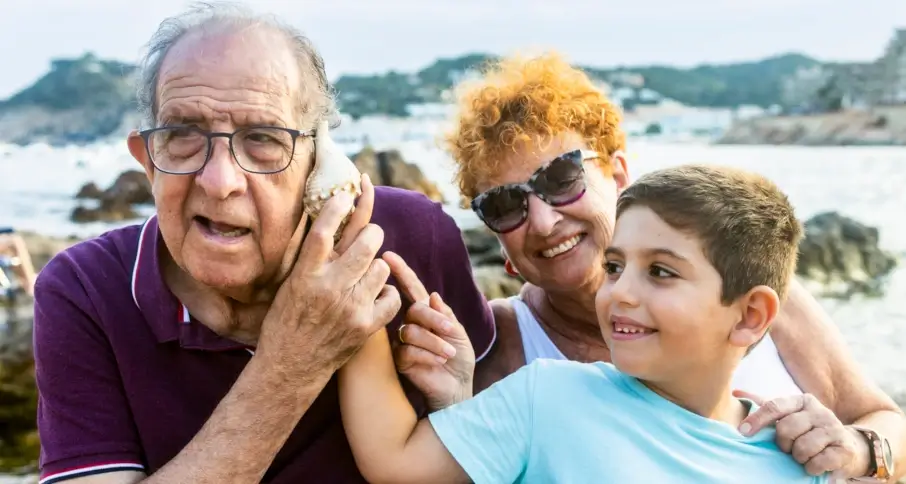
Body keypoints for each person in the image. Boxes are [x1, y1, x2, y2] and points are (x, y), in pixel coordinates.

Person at [31, 4, 494, 484]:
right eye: (183, 135)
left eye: (263, 138)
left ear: (318, 159)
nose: (219, 180)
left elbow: (504, 422)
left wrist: (456, 405)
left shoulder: (410, 237)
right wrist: (292, 364)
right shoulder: (87, 290)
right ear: (148, 161)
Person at [387, 53, 903, 481]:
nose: (542, 221)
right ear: (497, 239)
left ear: (619, 174)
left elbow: (885, 420)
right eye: (504, 206)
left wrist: (857, 448)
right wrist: (450, 404)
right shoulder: (498, 350)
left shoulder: (753, 297)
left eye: (561, 177)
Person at [338, 164, 832, 483]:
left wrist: (861, 448)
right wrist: (355, 294)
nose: (619, 293)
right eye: (615, 267)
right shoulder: (546, 397)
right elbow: (394, 462)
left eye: (661, 272)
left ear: (750, 317)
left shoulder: (797, 458)